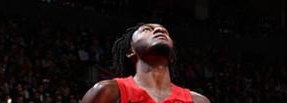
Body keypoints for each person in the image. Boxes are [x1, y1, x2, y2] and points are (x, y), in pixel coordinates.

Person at [81, 23, 210, 103]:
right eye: (147, 29)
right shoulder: (108, 91)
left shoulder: (198, 101)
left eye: (164, 31)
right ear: (130, 51)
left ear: (171, 55)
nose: (159, 30)